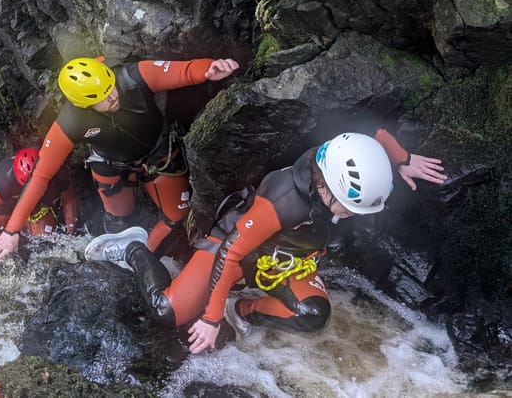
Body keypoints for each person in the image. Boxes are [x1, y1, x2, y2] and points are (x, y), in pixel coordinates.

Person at [83, 130, 447, 354]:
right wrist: (209, 320)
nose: (350, 214)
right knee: (168, 311)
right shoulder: (284, 200)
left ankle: (240, 311)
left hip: (285, 255)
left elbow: (378, 138)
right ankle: (133, 248)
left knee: (312, 315)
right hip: (236, 245)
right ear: (326, 186)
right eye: (348, 207)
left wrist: (403, 161)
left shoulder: (351, 166)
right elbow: (231, 252)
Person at [0, 56, 240, 261]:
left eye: (110, 89)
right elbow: (41, 176)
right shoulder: (72, 122)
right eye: (102, 98)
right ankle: (114, 249)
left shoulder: (131, 77)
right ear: (84, 104)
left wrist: (208, 68)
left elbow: (182, 71)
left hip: (158, 155)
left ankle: (140, 257)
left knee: (177, 217)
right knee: (118, 220)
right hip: (111, 166)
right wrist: (11, 230)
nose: (113, 96)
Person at [0, 147, 80, 238]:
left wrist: (70, 233)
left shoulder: (57, 172)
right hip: (8, 203)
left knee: (45, 238)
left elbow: (70, 200)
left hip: (40, 200)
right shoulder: (1, 184)